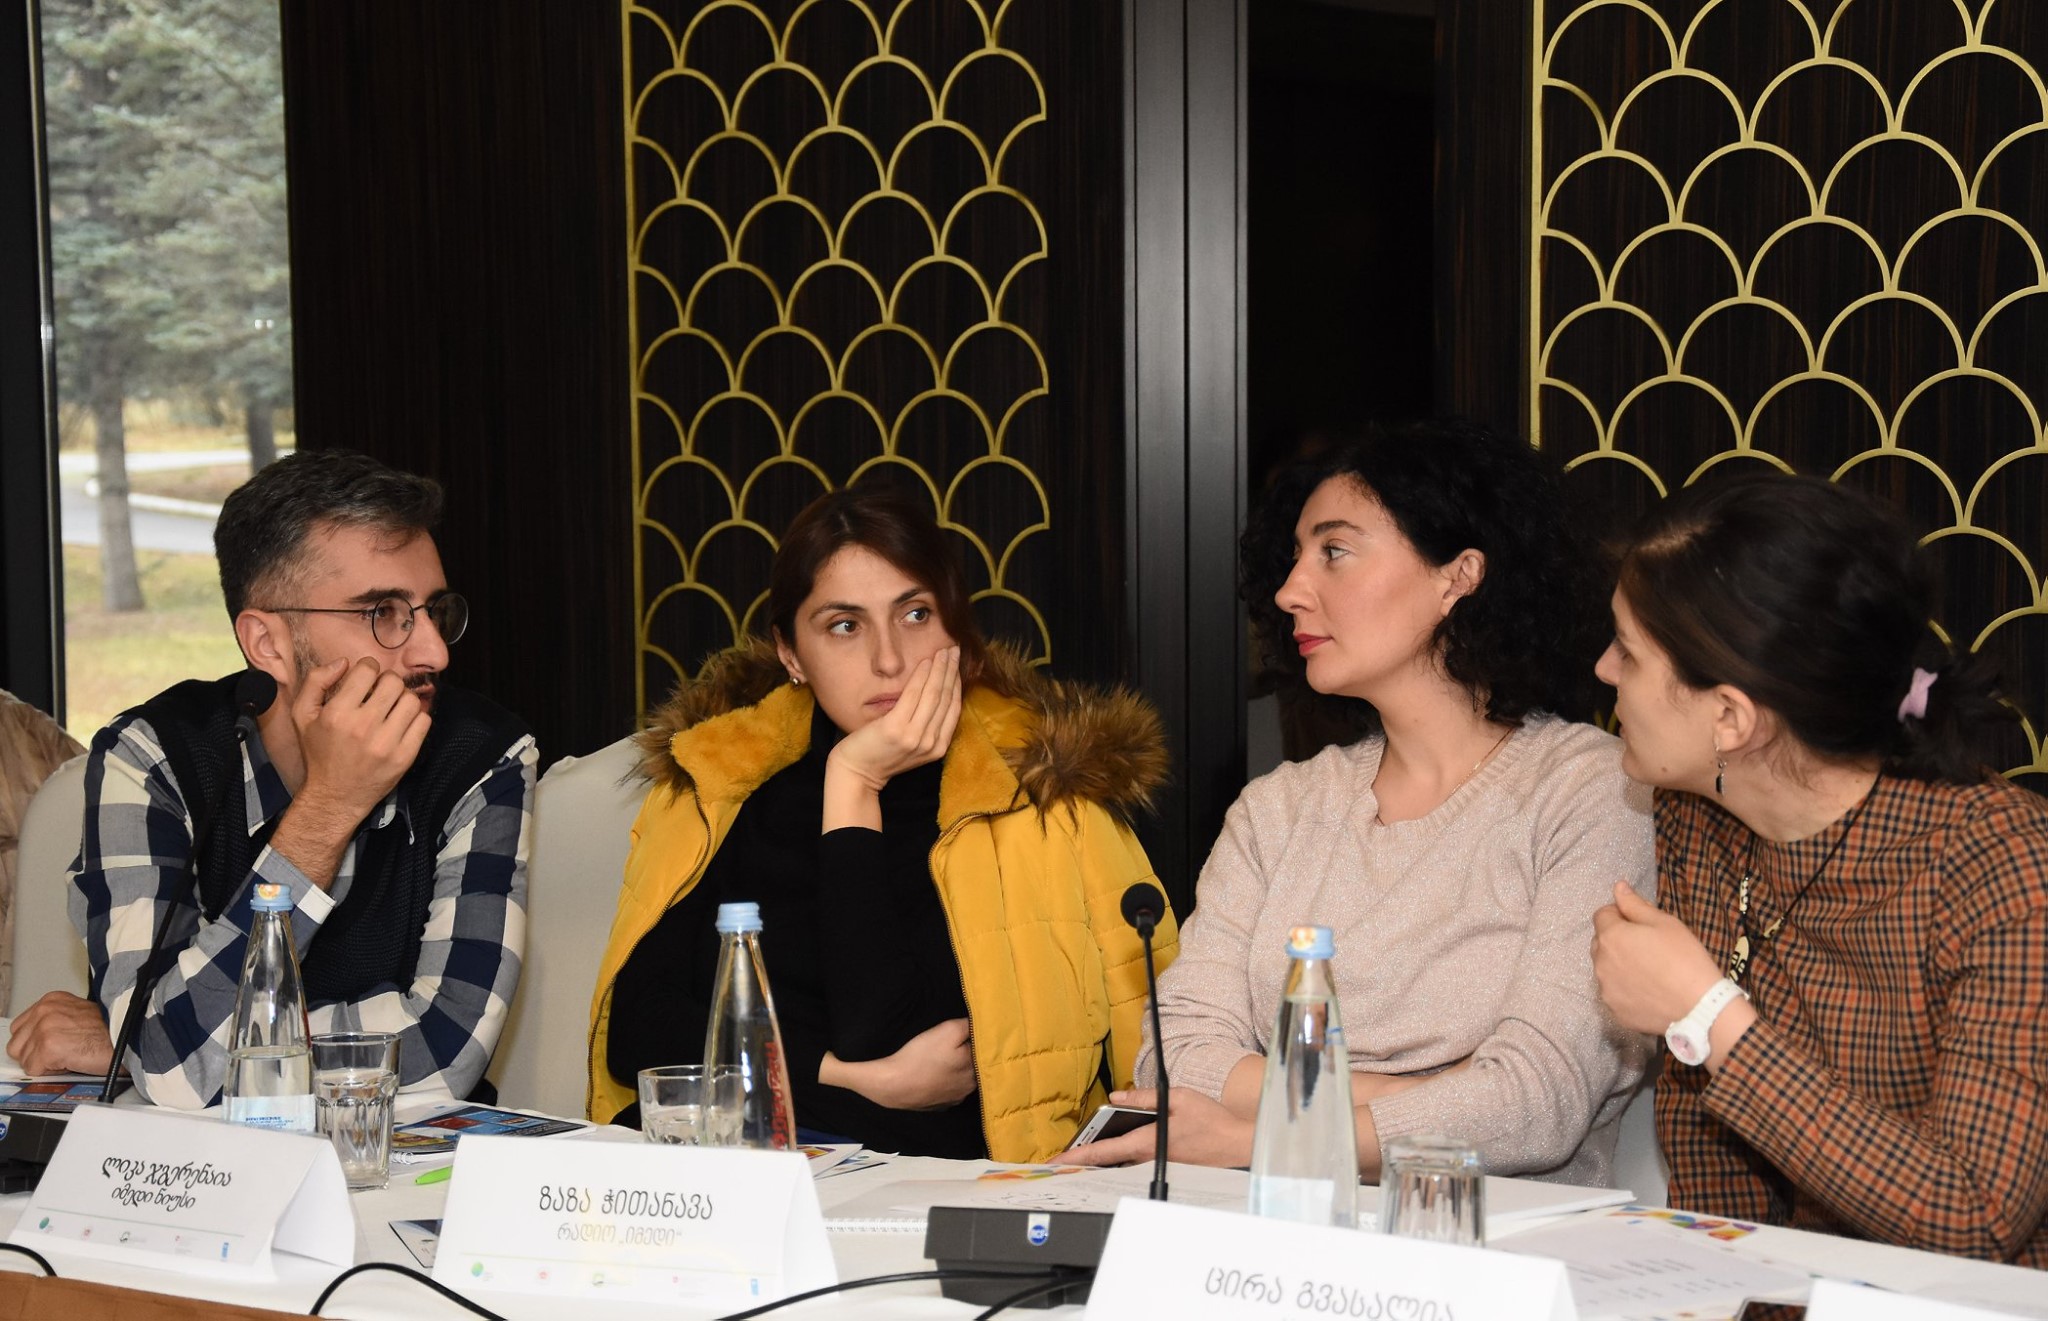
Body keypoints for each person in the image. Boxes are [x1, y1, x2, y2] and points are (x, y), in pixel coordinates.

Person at [1064, 420, 1655, 1184]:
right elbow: (1173, 1055)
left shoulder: (1588, 790)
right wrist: (1446, 1093)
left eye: (1334, 551)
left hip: (1489, 1238)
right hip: (1266, 1232)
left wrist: (1265, 1133)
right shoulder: (1278, 808)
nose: (1290, 590)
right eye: (1294, 556)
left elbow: (1535, 1104)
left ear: (1457, 576)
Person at [588, 484, 1176, 1161]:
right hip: (730, 1166)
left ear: (957, 629)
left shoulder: (1040, 797)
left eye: (916, 614)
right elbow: (638, 1033)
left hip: (934, 1182)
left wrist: (854, 783)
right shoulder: (721, 783)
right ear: (790, 654)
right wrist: (841, 1075)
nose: (890, 660)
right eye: (845, 625)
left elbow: (887, 1036)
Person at [1591, 471, 2048, 1266]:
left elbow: (1976, 1214)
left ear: (1730, 716)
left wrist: (1709, 1015)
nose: (1602, 670)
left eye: (1627, 652)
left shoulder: (2002, 863)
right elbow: (1715, 1169)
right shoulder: (1700, 819)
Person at [7, 451, 534, 1107]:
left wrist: (155, 1047)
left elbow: (444, 1052)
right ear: (268, 644)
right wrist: (327, 811)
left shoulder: (483, 757)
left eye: (434, 611)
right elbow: (172, 1068)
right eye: (383, 613)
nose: (433, 651)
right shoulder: (152, 757)